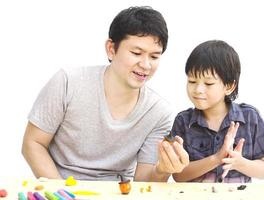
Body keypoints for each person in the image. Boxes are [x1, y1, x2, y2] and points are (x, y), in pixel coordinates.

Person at [22, 6, 189, 182]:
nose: (146, 65)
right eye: (136, 53)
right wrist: (62, 192)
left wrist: (163, 170)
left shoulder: (158, 112)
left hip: (118, 192)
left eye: (154, 57)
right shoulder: (67, 82)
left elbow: (143, 181)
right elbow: (33, 143)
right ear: (111, 49)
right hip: (61, 188)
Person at [171, 40, 264, 183]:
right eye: (192, 81)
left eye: (208, 83)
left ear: (229, 86)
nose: (198, 90)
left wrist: (239, 162)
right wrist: (216, 159)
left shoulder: (250, 117)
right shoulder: (183, 121)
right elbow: (178, 175)